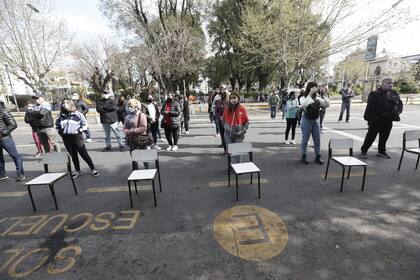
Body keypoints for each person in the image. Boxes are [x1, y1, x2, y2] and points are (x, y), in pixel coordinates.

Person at [360, 78, 403, 159]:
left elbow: (400, 104)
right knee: (371, 136)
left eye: (392, 83)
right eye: (389, 83)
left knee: (384, 137)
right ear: (383, 84)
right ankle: (364, 151)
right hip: (376, 120)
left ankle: (381, 151)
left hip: (389, 119)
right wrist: (383, 113)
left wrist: (398, 112)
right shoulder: (375, 94)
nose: (391, 84)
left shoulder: (394, 93)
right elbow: (372, 107)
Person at [56, 99, 99, 178]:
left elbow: (85, 125)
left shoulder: (78, 114)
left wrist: (79, 130)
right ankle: (77, 170)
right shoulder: (60, 116)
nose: (65, 104)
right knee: (73, 156)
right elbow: (57, 126)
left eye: (67, 103)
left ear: (71, 104)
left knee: (84, 154)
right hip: (66, 138)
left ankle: (93, 169)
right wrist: (61, 133)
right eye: (63, 103)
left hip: (76, 137)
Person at [299, 82, 327, 165]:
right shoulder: (303, 97)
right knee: (305, 139)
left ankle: (318, 156)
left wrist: (324, 93)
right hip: (306, 119)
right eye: (313, 87)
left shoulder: (318, 97)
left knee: (317, 139)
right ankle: (303, 155)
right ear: (309, 88)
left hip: (316, 120)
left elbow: (327, 104)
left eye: (316, 87)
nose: (315, 89)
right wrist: (310, 94)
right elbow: (304, 104)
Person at [0, 103, 25, 181]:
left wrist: (2, 133)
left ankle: (20, 174)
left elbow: (13, 124)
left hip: (5, 138)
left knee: (14, 155)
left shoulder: (3, 111)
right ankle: (2, 175)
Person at [223, 92, 249, 163]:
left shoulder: (242, 109)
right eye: (231, 98)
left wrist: (243, 130)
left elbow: (247, 122)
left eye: (234, 98)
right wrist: (226, 128)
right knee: (230, 151)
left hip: (239, 134)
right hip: (228, 135)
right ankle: (230, 166)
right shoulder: (226, 109)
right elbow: (224, 121)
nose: (233, 99)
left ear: (238, 99)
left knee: (238, 151)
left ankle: (238, 165)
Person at [123, 99, 149, 169]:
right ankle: (135, 172)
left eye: (131, 106)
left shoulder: (141, 115)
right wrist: (127, 131)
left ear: (136, 106)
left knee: (144, 158)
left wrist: (132, 131)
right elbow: (124, 129)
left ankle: (148, 171)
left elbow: (143, 128)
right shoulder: (127, 117)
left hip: (141, 139)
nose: (130, 108)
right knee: (134, 159)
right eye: (129, 106)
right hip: (131, 140)